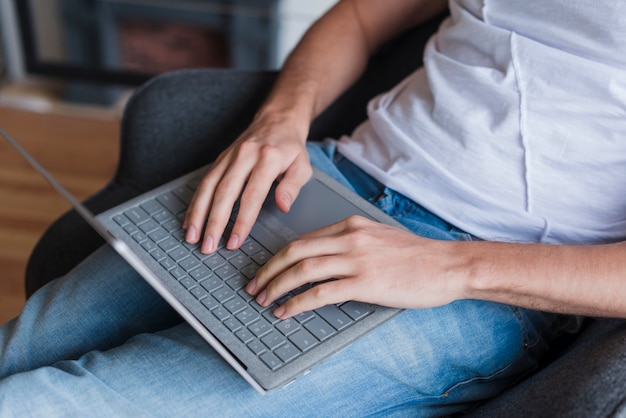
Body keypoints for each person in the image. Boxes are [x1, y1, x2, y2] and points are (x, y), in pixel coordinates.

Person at [1, 0, 625, 415]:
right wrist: (279, 122)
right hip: (321, 181)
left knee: (58, 404)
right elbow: (358, 16)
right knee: (23, 347)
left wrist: (449, 267)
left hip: (477, 281)